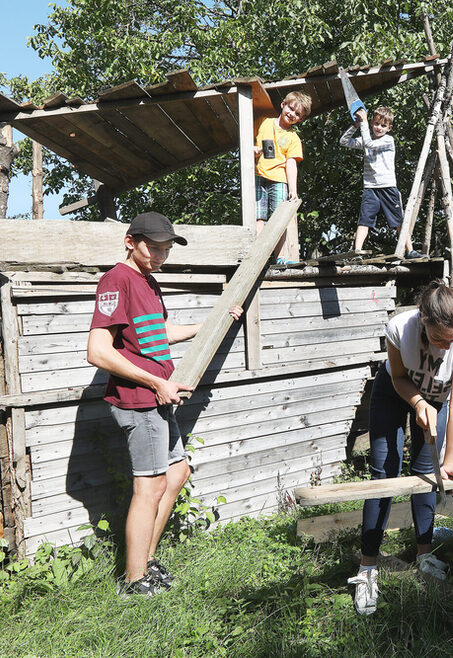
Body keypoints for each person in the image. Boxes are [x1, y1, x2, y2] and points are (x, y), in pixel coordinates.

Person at [87, 212, 243, 596]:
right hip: (139, 400)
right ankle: (133, 580)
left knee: (176, 475)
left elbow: (161, 333)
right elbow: (97, 351)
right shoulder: (117, 280)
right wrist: (156, 381)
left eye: (166, 249)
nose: (160, 255)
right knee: (150, 485)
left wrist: (213, 323)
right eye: (153, 247)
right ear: (130, 241)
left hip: (157, 398)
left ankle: (147, 560)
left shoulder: (148, 281)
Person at [349, 280, 453, 615]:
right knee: (383, 474)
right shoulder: (398, 329)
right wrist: (418, 403)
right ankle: (367, 568)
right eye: (440, 339)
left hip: (440, 399)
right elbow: (398, 377)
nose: (449, 347)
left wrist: (450, 459)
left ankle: (424, 555)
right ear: (423, 319)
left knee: (426, 475)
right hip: (394, 394)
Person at [339, 106, 425, 259]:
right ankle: (357, 251)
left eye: (383, 125)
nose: (379, 128)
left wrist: (364, 122)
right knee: (364, 220)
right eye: (376, 124)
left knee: (399, 220)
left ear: (389, 128)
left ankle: (409, 250)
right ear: (372, 123)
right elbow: (344, 141)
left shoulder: (388, 140)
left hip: (388, 187)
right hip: (370, 188)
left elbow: (370, 144)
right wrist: (356, 125)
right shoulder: (366, 137)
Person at [254, 90, 312, 264]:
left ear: (300, 119)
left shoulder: (293, 138)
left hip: (279, 179)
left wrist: (293, 190)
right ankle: (258, 256)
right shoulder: (264, 123)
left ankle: (280, 256)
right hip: (259, 176)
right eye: (291, 108)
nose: (292, 114)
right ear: (283, 104)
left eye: (297, 114)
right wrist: (253, 150)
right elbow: (250, 143)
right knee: (259, 217)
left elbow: (291, 164)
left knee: (279, 219)